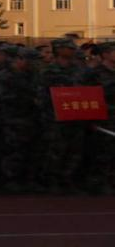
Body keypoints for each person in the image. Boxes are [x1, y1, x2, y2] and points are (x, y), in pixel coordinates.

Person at [36, 39, 86, 193]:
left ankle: (67, 179)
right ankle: (51, 181)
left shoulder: (78, 70)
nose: (72, 51)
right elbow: (40, 95)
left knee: (74, 150)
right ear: (59, 50)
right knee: (55, 150)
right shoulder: (48, 71)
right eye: (69, 48)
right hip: (55, 117)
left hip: (76, 116)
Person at [0, 47, 43, 193]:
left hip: (31, 118)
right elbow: (3, 97)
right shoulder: (5, 75)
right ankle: (11, 180)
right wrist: (29, 100)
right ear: (20, 59)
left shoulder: (32, 75)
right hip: (13, 118)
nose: (35, 64)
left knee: (32, 150)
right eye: (31, 60)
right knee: (14, 150)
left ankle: (30, 180)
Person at [82, 43, 115, 194]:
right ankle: (98, 182)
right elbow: (86, 95)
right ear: (106, 54)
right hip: (103, 117)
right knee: (102, 151)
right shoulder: (94, 73)